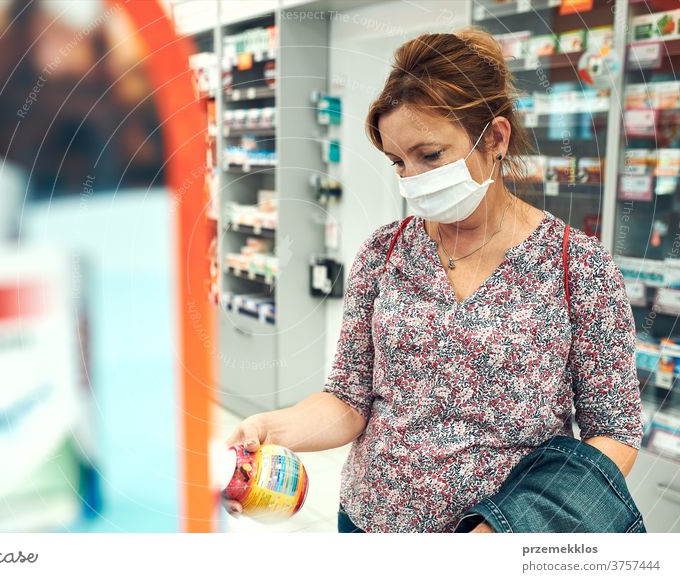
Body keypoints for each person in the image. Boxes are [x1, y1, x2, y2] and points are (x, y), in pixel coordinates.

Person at [223, 28, 642, 533]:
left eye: (430, 155)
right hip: (368, 525)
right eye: (398, 161)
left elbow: (614, 433)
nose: (411, 179)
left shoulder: (578, 267)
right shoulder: (384, 252)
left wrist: (509, 530)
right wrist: (272, 427)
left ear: (496, 139)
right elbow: (349, 399)